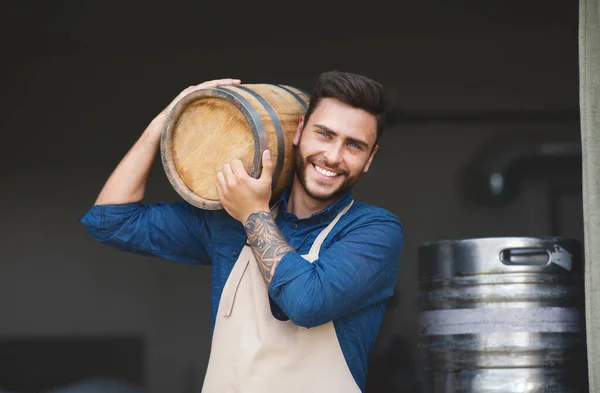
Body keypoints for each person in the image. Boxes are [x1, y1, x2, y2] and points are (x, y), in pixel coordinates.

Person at [80, 71, 404, 393]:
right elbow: (111, 220)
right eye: (324, 134)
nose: (333, 156)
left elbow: (306, 303)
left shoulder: (373, 230)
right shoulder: (227, 222)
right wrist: (163, 123)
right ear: (300, 130)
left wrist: (252, 213)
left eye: (354, 145)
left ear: (369, 158)